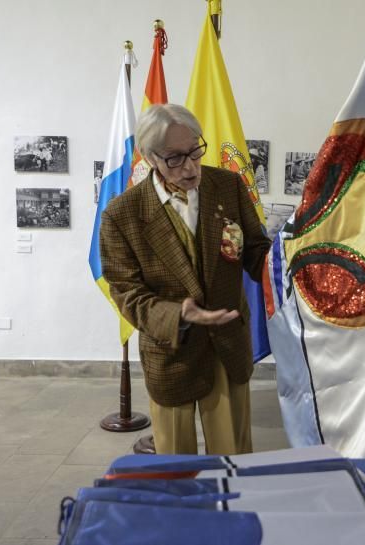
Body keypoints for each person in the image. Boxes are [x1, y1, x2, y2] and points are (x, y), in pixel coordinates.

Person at [99, 104, 271, 455]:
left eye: (195, 151)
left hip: (227, 344)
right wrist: (180, 315)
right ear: (149, 158)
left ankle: (229, 510)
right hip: (171, 353)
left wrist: (290, 261)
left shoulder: (228, 186)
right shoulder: (122, 215)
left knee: (234, 460)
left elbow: (255, 250)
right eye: (175, 159)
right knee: (175, 466)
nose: (191, 166)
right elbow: (128, 294)